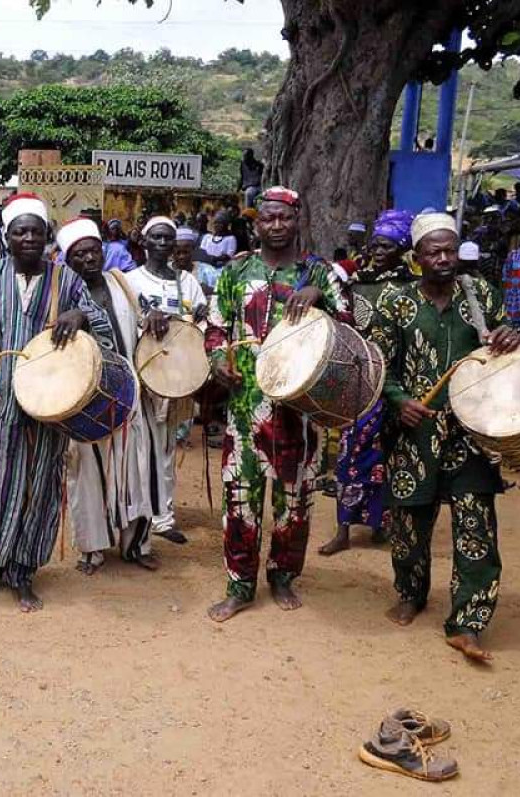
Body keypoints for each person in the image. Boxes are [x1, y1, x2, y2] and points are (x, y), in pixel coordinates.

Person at [370, 211, 520, 663]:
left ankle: (468, 622)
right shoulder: (395, 303)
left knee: (476, 526)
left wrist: (511, 336)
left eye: (450, 250)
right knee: (409, 525)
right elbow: (379, 364)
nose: (443, 258)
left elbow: (504, 353)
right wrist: (400, 401)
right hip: (412, 434)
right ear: (416, 257)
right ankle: (411, 593)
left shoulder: (481, 297)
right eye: (433, 252)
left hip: (470, 434)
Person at [0, 193, 114, 611]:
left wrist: (80, 317)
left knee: (38, 488)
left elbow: (101, 327)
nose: (28, 238)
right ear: (5, 236)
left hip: (49, 406)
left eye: (36, 231)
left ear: (47, 237)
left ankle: (24, 571)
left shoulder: (68, 281)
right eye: (20, 231)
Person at [204, 186, 349, 622]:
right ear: (256, 223)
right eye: (268, 218)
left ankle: (283, 576)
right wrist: (217, 360)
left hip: (299, 412)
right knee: (240, 499)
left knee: (295, 502)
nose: (276, 225)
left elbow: (348, 329)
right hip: (246, 409)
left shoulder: (318, 274)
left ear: (297, 221)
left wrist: (321, 299)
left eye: (285, 218)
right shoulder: (237, 272)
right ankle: (240, 585)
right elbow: (214, 326)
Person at [56, 217, 160, 573]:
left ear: (103, 250)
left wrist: (156, 316)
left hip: (128, 392)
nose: (88, 259)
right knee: (87, 472)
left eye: (92, 251)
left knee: (135, 470)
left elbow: (145, 317)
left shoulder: (122, 284)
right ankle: (91, 550)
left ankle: (137, 545)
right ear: (68, 261)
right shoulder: (63, 294)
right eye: (78, 255)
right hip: (83, 399)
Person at [319, 210, 417, 557]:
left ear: (402, 248)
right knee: (349, 457)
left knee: (387, 459)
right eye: (375, 245)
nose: (377, 251)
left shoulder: (411, 286)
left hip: (397, 384)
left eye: (386, 246)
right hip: (359, 383)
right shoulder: (353, 278)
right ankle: (342, 530)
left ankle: (381, 525)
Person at [125, 216, 209, 543]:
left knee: (165, 446)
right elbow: (123, 320)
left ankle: (163, 517)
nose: (162, 243)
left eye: (168, 239)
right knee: (138, 446)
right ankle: (138, 513)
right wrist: (146, 321)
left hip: (175, 377)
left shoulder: (186, 282)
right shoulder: (129, 281)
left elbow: (202, 319)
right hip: (142, 375)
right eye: (156, 237)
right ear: (144, 242)